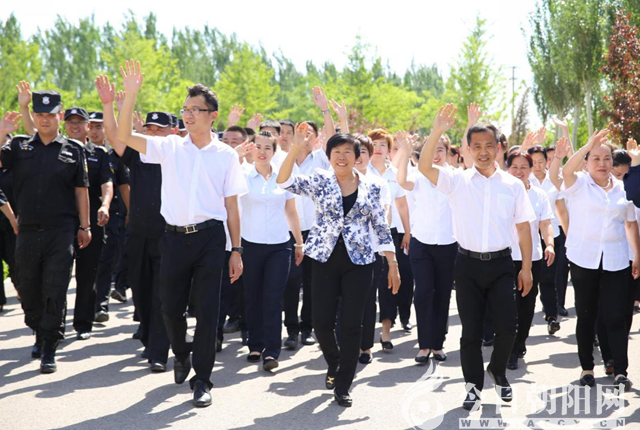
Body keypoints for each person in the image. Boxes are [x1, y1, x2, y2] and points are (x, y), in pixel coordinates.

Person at [115, 60, 248, 407]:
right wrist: (130, 95)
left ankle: (202, 380)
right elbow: (124, 137)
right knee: (170, 308)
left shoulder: (226, 155)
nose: (188, 115)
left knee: (207, 312)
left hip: (210, 239)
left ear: (212, 116)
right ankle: (181, 352)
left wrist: (236, 250)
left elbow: (232, 206)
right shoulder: (170, 146)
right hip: (173, 238)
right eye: (185, 110)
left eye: (195, 110)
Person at [419, 105, 535, 411]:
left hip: (502, 265)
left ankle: (497, 370)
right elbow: (425, 168)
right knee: (470, 333)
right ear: (468, 150)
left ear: (498, 148)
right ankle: (472, 387)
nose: (483, 152)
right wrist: (437, 131)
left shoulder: (513, 185)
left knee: (507, 328)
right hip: (467, 265)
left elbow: (524, 228)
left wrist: (526, 267)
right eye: (477, 146)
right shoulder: (457, 180)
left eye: (489, 146)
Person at [277, 125, 400, 407]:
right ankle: (334, 363)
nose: (342, 157)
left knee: (352, 324)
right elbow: (283, 181)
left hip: (360, 262)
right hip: (324, 259)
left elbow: (381, 226)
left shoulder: (373, 186)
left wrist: (392, 261)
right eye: (336, 152)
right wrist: (296, 147)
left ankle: (344, 383)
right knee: (321, 322)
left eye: (347, 152)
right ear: (329, 156)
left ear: (357, 157)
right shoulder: (320, 179)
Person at [0, 91, 91, 373]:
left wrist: (85, 226)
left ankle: (49, 344)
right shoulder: (19, 146)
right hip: (27, 229)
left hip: (60, 230)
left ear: (59, 116)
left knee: (55, 286)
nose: (44, 120)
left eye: (50, 115)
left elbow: (81, 190)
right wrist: (1, 133)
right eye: (39, 114)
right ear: (34, 116)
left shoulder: (73, 149)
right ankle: (38, 328)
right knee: (26, 285)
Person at [96, 75, 171, 373]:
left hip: (167, 235)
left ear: (171, 132)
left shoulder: (178, 156)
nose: (153, 134)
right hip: (138, 234)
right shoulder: (138, 156)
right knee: (141, 291)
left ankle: (159, 351)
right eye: (149, 129)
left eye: (159, 130)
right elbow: (115, 135)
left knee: (162, 293)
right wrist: (109, 105)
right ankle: (150, 340)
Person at [558, 132, 639, 392]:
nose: (602, 163)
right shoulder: (579, 184)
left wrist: (637, 255)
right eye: (596, 158)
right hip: (584, 259)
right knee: (586, 315)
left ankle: (620, 372)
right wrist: (587, 146)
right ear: (587, 162)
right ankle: (587, 368)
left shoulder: (622, 188)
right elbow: (566, 170)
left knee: (616, 317)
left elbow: (630, 223)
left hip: (616, 260)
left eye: (607, 158)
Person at [241, 131, 303, 371]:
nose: (262, 152)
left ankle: (271, 351)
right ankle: (255, 344)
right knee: (253, 296)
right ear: (252, 148)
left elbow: (291, 212)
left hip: (279, 246)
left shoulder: (283, 177)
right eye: (258, 146)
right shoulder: (243, 176)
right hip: (250, 244)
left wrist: (299, 242)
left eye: (268, 147)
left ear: (274, 152)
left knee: (273, 298)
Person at [396, 131, 457, 364]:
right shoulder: (418, 176)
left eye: (440, 150)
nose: (436, 155)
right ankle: (424, 345)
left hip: (448, 243)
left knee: (442, 293)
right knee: (422, 293)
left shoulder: (455, 177)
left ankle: (438, 344)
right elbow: (402, 182)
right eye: (432, 150)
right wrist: (405, 151)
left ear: (448, 153)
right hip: (421, 242)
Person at [62, 107, 114, 340]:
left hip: (92, 222)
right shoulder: (58, 150)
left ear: (88, 126)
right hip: (62, 221)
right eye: (70, 122)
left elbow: (107, 182)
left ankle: (83, 324)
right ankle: (54, 327)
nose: (74, 126)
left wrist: (105, 205)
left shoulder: (99, 154)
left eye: (79, 122)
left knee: (87, 276)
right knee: (57, 276)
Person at [505, 151, 555, 370]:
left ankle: (518, 344)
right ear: (507, 168)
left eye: (523, 167)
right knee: (505, 305)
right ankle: (507, 347)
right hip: (504, 257)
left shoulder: (539, 195)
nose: (519, 171)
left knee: (526, 305)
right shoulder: (500, 193)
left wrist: (549, 244)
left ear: (530, 169)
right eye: (514, 167)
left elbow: (545, 223)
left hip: (531, 258)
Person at [368, 128, 413, 348]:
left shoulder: (394, 174)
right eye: (374, 144)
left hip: (389, 235)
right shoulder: (361, 171)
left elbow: (402, 205)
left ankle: (386, 329)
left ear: (389, 150)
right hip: (365, 235)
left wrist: (407, 231)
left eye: (382, 145)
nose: (378, 148)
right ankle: (362, 334)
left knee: (388, 282)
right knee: (367, 284)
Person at [352, 133, 391, 364]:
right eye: (354, 152)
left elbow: (383, 217)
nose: (358, 157)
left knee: (367, 299)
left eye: (363, 152)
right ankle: (347, 344)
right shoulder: (336, 180)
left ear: (369, 155)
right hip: (343, 251)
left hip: (371, 250)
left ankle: (365, 347)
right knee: (345, 300)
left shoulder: (379, 183)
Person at [527, 145, 562, 334]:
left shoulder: (554, 180)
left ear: (547, 161)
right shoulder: (524, 182)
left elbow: (562, 209)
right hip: (529, 237)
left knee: (548, 279)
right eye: (533, 162)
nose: (538, 165)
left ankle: (551, 317)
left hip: (551, 235)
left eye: (541, 161)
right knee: (529, 278)